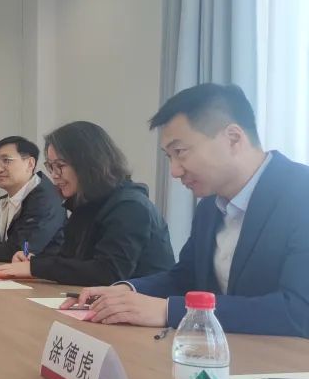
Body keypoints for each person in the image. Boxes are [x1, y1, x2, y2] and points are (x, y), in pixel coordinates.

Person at [62, 83, 309, 338]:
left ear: (233, 139)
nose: (174, 171)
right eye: (169, 157)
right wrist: (124, 292)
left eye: (180, 152)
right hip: (226, 352)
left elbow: (300, 311)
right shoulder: (210, 208)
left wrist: (170, 311)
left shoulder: (301, 194)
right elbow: (186, 278)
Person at [0, 121, 174, 285]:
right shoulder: (84, 204)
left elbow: (108, 272)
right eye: (50, 166)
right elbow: (72, 261)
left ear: (89, 163)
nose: (54, 175)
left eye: (60, 166)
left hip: (142, 310)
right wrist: (35, 261)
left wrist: (35, 267)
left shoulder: (130, 206)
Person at [0, 136, 66, 262]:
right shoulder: (2, 202)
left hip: (43, 273)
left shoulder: (45, 200)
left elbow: (20, 250)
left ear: (30, 163)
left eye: (6, 160)